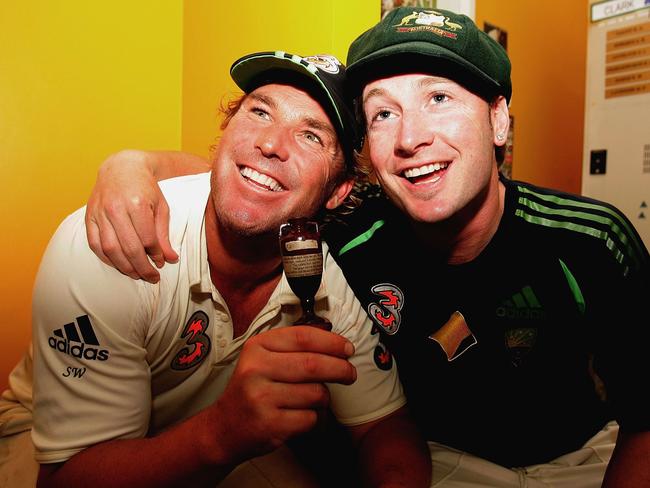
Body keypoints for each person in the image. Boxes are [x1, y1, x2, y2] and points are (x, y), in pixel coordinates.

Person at [55, 7, 650, 488]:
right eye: (384, 113)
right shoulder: (351, 233)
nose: (412, 137)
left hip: (581, 460)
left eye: (438, 98)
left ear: (499, 121)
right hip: (446, 462)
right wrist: (132, 165)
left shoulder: (592, 239)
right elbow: (259, 185)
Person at [1, 50, 433, 488]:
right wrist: (222, 434)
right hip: (50, 444)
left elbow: (384, 426)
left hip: (206, 433)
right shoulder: (118, 240)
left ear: (338, 191)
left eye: (311, 137)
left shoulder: (322, 272)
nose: (270, 144)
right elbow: (65, 478)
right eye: (259, 112)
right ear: (225, 135)